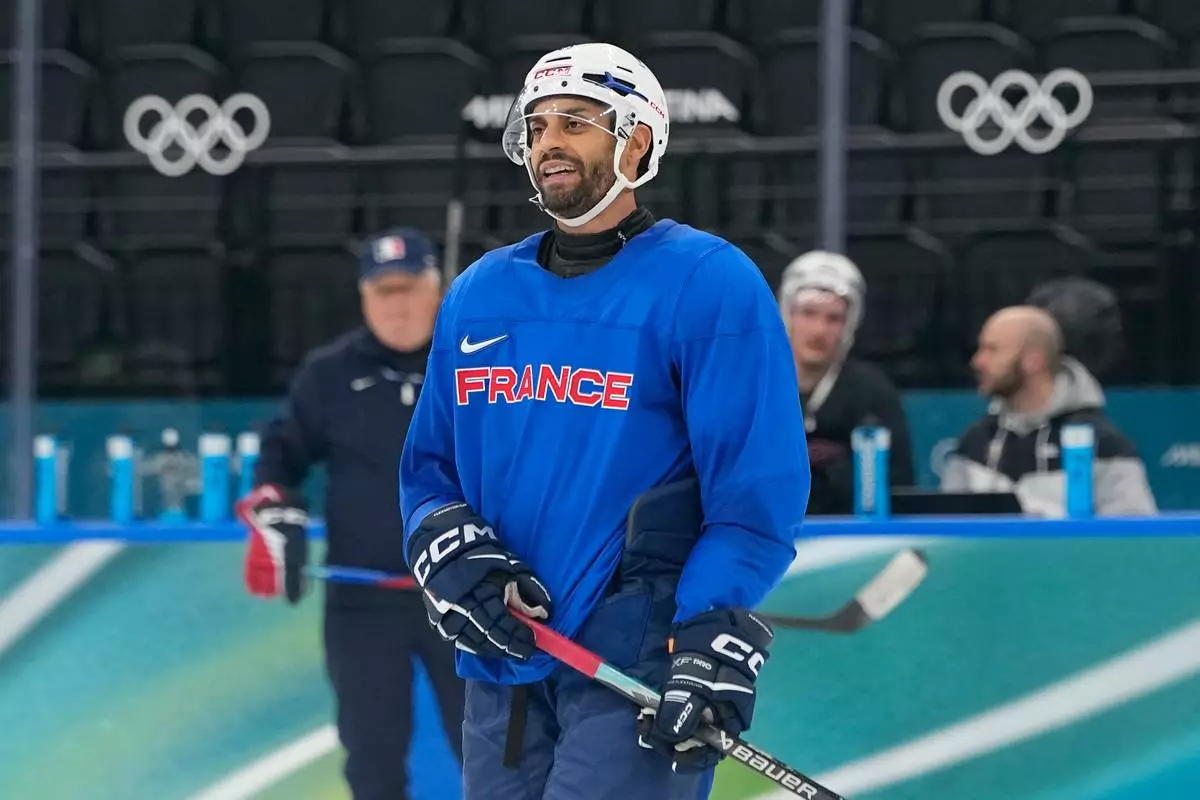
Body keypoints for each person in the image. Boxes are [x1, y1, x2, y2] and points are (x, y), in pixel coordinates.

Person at [398, 43, 811, 800]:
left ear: (639, 140)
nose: (549, 141)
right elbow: (428, 470)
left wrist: (710, 626)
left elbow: (755, 496)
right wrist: (446, 546)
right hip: (504, 655)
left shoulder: (708, 283)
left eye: (578, 122)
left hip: (634, 658)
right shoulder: (479, 293)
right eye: (539, 124)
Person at [236, 228, 465, 800]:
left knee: (494, 752)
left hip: (468, 595)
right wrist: (272, 508)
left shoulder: (476, 364)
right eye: (383, 290)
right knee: (372, 758)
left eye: (409, 287)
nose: (397, 304)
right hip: (364, 603)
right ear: (363, 296)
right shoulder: (329, 374)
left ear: (437, 288)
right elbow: (280, 454)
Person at [941, 305, 1157, 516]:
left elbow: (1134, 535)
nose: (978, 361)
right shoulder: (974, 443)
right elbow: (948, 531)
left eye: (992, 350)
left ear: (1034, 361)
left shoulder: (1102, 443)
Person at [777, 250, 915, 514]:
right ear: (786, 314)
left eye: (833, 319)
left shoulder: (872, 392)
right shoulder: (753, 387)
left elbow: (900, 486)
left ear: (849, 325)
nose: (819, 330)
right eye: (808, 313)